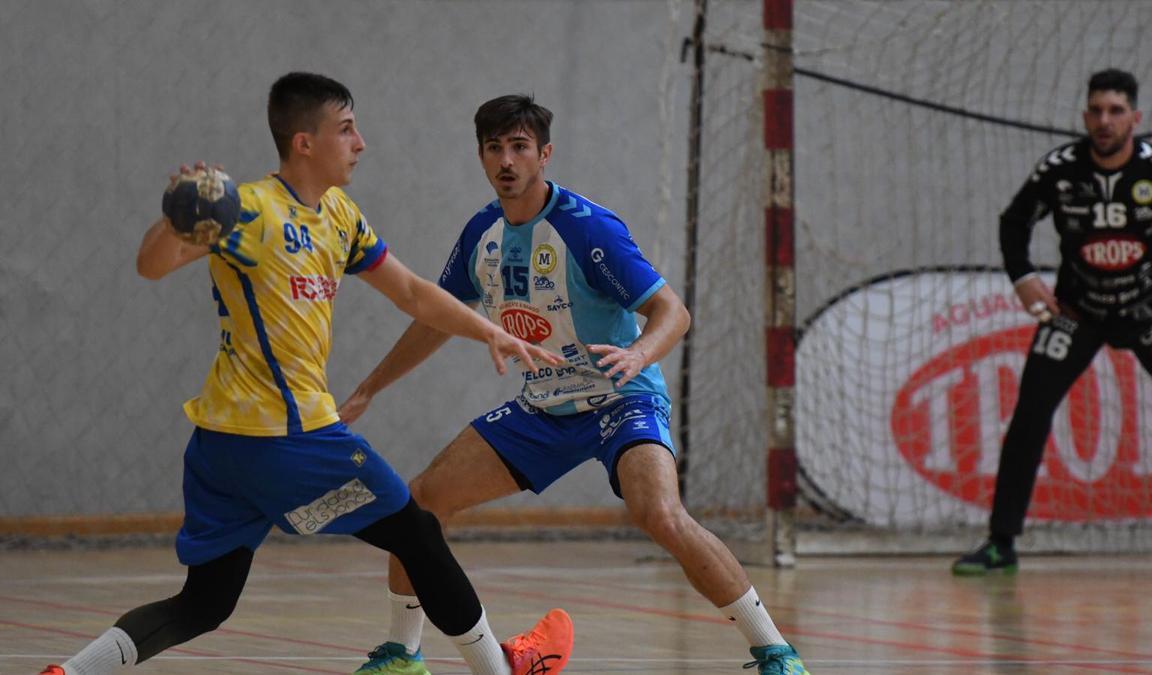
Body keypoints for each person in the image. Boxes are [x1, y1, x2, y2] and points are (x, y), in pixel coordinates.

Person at [40, 72, 575, 675]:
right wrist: (177, 219)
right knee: (418, 534)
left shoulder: (339, 215)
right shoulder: (247, 208)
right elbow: (151, 265)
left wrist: (491, 331)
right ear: (304, 142)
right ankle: (496, 671)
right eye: (346, 129)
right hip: (290, 441)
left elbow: (412, 293)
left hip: (224, 452)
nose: (360, 142)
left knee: (205, 602)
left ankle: (70, 672)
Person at [340, 95, 809, 675]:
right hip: (544, 408)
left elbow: (673, 312)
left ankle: (776, 653)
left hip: (621, 397)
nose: (506, 160)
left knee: (659, 513)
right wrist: (369, 387)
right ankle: (402, 654)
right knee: (419, 505)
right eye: (494, 148)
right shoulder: (480, 234)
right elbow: (435, 317)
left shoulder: (587, 229)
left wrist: (638, 354)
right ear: (482, 156)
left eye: (519, 147)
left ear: (545, 154)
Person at [953, 68, 1152, 575]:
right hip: (1077, 312)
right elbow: (1014, 222)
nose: (1105, 121)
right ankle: (1001, 544)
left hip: (1144, 309)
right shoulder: (1060, 169)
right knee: (1029, 414)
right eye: (1096, 111)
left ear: (1136, 117)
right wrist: (1022, 277)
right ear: (1085, 116)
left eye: (1115, 110)